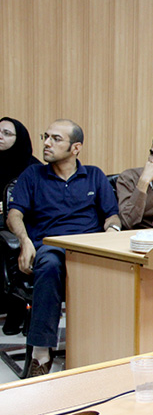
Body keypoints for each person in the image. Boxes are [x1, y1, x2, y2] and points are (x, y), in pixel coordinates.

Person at [7, 119, 120, 377]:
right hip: (51, 246)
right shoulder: (33, 175)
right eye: (46, 137)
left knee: (123, 268)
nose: (47, 143)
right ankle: (41, 353)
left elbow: (112, 216)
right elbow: (14, 214)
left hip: (89, 248)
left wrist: (112, 233)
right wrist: (25, 241)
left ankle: (103, 349)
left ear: (76, 148)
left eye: (56, 139)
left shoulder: (94, 175)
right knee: (49, 263)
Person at [0, 117, 42, 335]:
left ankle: (18, 307)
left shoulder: (33, 169)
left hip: (24, 223)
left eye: (7, 133)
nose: (0, 137)